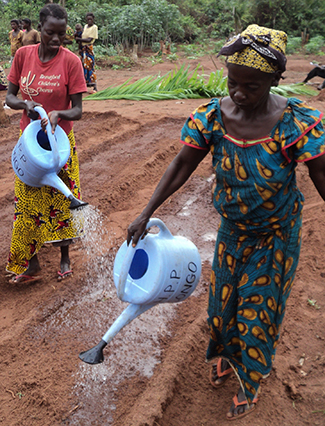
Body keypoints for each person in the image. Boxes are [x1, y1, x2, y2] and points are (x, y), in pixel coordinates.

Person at [126, 25, 325, 420]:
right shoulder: (213, 117)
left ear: (274, 80)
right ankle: (229, 356)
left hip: (275, 236)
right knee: (223, 307)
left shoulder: (295, 124)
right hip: (232, 233)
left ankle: (251, 378)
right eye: (233, 82)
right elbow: (183, 163)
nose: (239, 93)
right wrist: (146, 211)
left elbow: (322, 176)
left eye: (251, 86)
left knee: (258, 310)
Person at [5, 3, 87, 283]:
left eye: (61, 34)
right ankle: (31, 263)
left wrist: (58, 114)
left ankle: (64, 258)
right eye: (51, 33)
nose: (56, 39)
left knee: (63, 199)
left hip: (60, 144)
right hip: (29, 144)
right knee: (27, 202)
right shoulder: (23, 55)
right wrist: (25, 105)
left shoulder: (71, 61)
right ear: (39, 29)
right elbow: (9, 97)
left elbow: (78, 109)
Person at [75, 12, 98, 93]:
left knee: (90, 65)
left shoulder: (94, 27)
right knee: (83, 66)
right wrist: (80, 46)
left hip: (88, 48)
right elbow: (81, 36)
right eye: (88, 19)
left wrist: (79, 40)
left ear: (93, 19)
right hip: (83, 49)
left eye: (90, 19)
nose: (89, 21)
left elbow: (89, 39)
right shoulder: (85, 26)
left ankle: (94, 86)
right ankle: (85, 85)